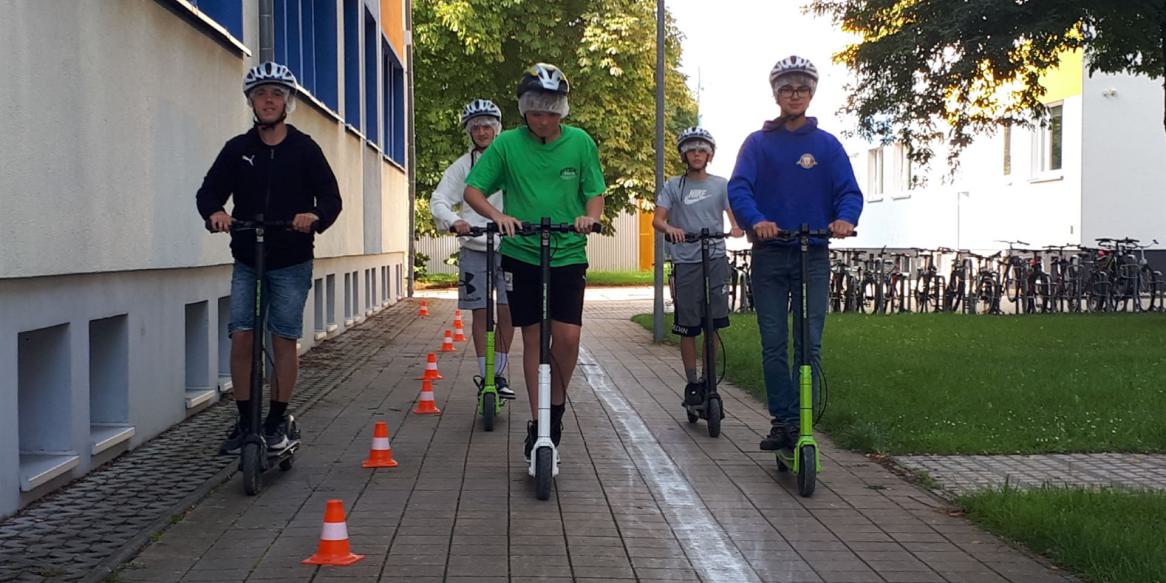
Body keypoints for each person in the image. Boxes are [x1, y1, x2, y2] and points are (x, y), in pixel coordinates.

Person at [196, 62, 342, 454]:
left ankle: (276, 418)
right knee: (241, 335)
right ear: (251, 102)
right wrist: (216, 214)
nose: (268, 101)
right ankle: (245, 421)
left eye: (276, 94)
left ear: (287, 102)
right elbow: (208, 193)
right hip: (248, 256)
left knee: (283, 339)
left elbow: (331, 198)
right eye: (261, 94)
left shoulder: (305, 149)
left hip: (291, 259)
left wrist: (314, 216)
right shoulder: (238, 150)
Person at [461, 63, 606, 460]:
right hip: (521, 252)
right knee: (533, 337)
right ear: (524, 110)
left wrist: (589, 218)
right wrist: (498, 216)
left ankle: (555, 410)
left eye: (552, 110)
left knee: (568, 338)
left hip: (567, 251)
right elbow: (474, 190)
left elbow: (594, 192)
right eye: (536, 111)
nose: (544, 120)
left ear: (563, 110)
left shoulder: (580, 142)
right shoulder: (507, 144)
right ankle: (540, 421)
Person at [726, 55, 862, 451]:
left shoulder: (827, 145)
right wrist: (757, 220)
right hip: (771, 253)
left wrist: (844, 219)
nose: (795, 95)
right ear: (776, 94)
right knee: (773, 342)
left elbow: (848, 192)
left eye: (802, 88)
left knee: (809, 342)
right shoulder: (758, 143)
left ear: (812, 93)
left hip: (813, 254)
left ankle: (804, 419)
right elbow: (739, 189)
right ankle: (783, 421)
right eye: (787, 89)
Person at [430, 99, 516, 399]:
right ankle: (486, 373)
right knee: (480, 312)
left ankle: (500, 374)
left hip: (510, 247)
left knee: (508, 310)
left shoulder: (512, 160)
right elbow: (439, 199)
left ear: (497, 129)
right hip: (475, 246)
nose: (482, 132)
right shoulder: (462, 166)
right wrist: (455, 221)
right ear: (469, 132)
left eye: (487, 127)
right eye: (476, 127)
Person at [652, 127, 744, 406]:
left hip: (714, 256)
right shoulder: (674, 186)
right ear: (683, 154)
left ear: (710, 155)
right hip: (686, 258)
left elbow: (733, 214)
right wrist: (671, 228)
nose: (696, 154)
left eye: (702, 150)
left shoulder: (720, 184)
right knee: (688, 324)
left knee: (713, 322)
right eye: (691, 150)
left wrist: (737, 228)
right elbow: (658, 220)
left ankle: (709, 376)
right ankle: (692, 382)